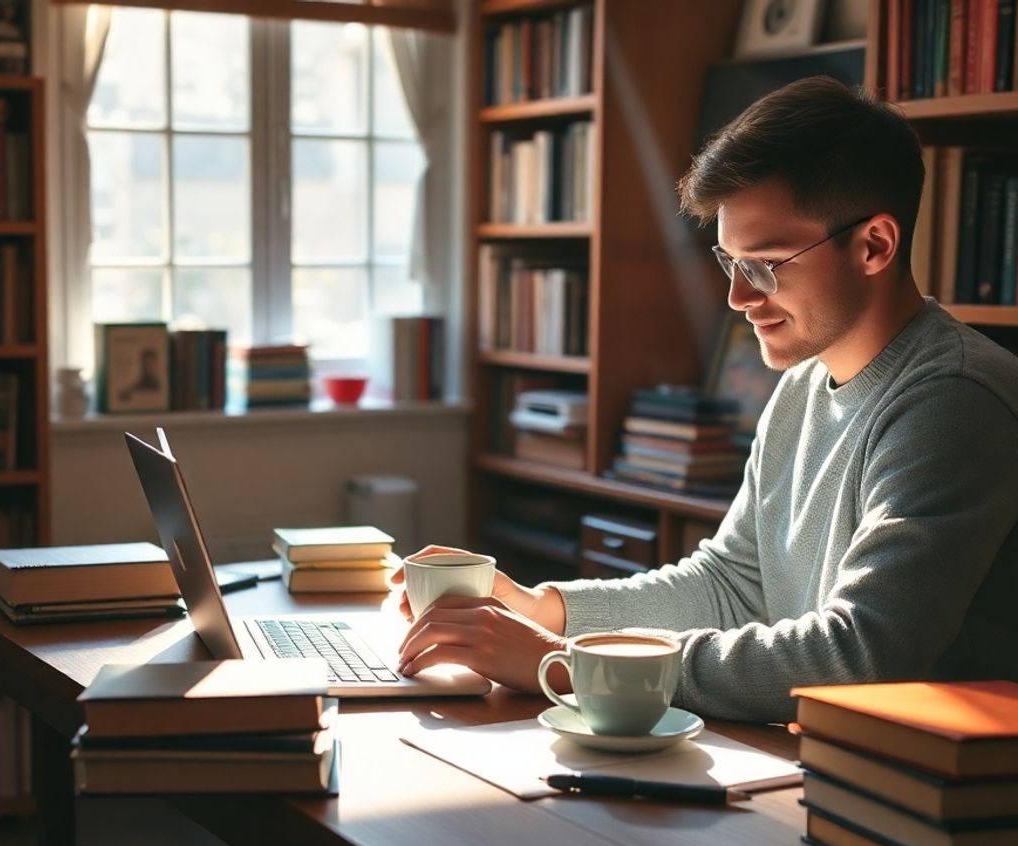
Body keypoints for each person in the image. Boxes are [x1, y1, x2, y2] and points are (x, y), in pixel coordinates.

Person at [394, 76, 1018, 723]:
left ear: (874, 245)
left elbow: (861, 654)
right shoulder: (803, 383)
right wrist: (538, 608)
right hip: (827, 763)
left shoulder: (954, 403)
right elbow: (729, 584)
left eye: (765, 265)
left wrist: (570, 665)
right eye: (730, 262)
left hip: (929, 800)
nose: (739, 300)